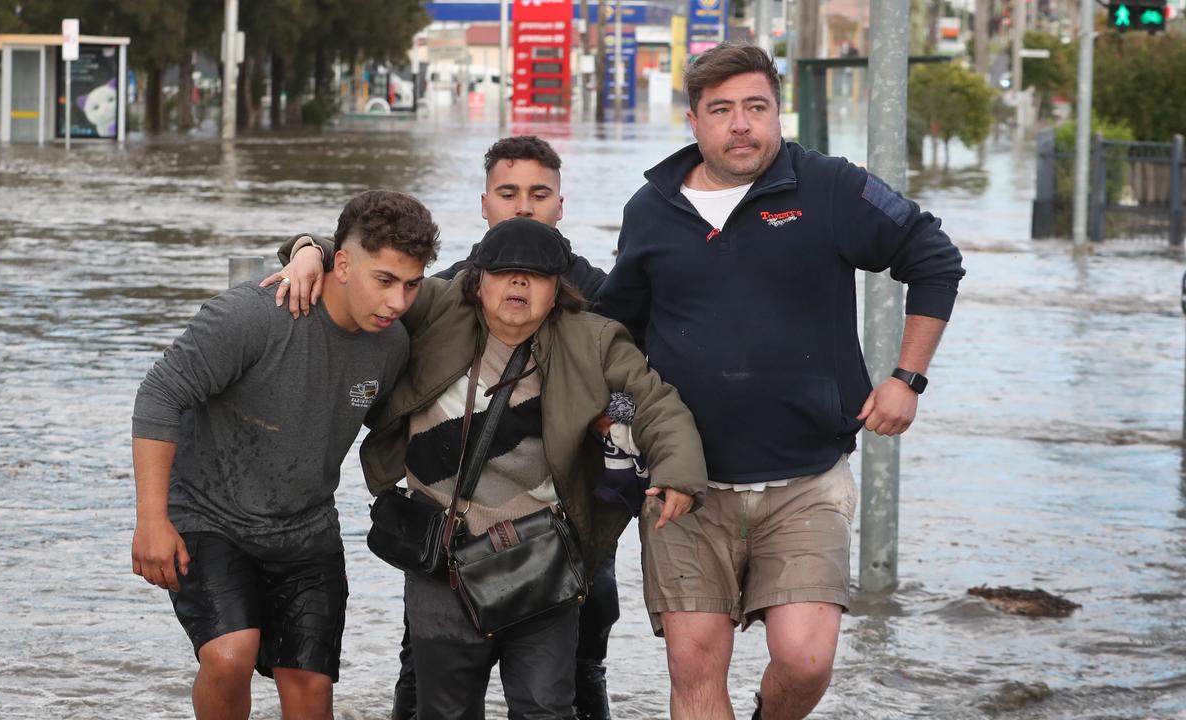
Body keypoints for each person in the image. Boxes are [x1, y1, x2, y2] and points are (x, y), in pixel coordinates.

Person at [590, 43, 966, 719]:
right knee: (693, 666)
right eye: (722, 110)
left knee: (806, 660)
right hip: (685, 487)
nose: (741, 124)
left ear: (778, 113)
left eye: (756, 107)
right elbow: (615, 330)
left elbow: (933, 256)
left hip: (805, 481)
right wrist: (614, 420)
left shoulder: (829, 187)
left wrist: (908, 376)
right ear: (694, 121)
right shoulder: (651, 209)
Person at [280, 217, 707, 718]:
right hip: (442, 557)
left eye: (536, 275)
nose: (519, 283)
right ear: (478, 279)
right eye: (505, 272)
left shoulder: (594, 339)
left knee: (545, 708)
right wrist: (310, 250)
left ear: (557, 289)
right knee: (444, 711)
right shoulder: (436, 308)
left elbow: (656, 405)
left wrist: (677, 472)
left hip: (543, 559)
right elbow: (372, 266)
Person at [271, 135, 618, 720]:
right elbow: (372, 269)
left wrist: (616, 422)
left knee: (577, 665)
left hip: (565, 517)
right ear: (485, 204)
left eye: (539, 193)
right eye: (508, 193)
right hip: (450, 527)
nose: (524, 207)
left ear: (561, 204)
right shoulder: (454, 288)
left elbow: (636, 378)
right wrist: (308, 248)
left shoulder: (599, 294)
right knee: (426, 663)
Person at [129, 190, 441, 720]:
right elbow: (159, 395)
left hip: (304, 528)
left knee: (310, 688)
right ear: (340, 263)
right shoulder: (251, 315)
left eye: (411, 285)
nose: (397, 303)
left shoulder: (392, 348)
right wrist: (151, 519)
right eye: (384, 280)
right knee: (230, 656)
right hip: (210, 517)